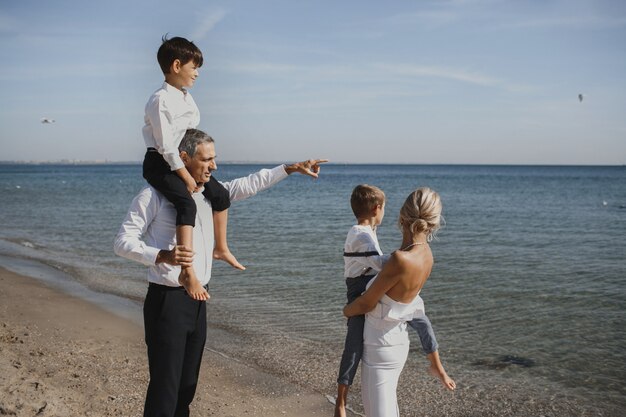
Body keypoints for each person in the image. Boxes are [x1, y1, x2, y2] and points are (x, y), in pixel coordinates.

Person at [114, 128, 328, 417]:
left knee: (187, 388)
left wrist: (289, 169)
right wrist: (162, 255)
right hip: (167, 302)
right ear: (183, 157)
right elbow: (122, 243)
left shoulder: (207, 194)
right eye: (207, 160)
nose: (213, 166)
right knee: (165, 388)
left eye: (215, 159)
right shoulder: (152, 196)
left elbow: (249, 184)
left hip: (197, 301)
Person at [334, 185, 454, 417]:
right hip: (400, 344)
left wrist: (346, 311)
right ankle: (436, 366)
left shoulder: (399, 260)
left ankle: (341, 400)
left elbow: (366, 304)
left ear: (402, 217)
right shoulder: (427, 255)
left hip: (379, 347)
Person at [142, 35, 241, 303]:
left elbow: (191, 135)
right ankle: (187, 271)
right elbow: (165, 146)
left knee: (220, 195)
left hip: (184, 159)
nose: (197, 73)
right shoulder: (160, 100)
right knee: (187, 204)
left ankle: (220, 248)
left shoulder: (187, 98)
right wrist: (185, 176)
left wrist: (202, 163)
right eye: (193, 66)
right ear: (176, 65)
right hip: (161, 164)